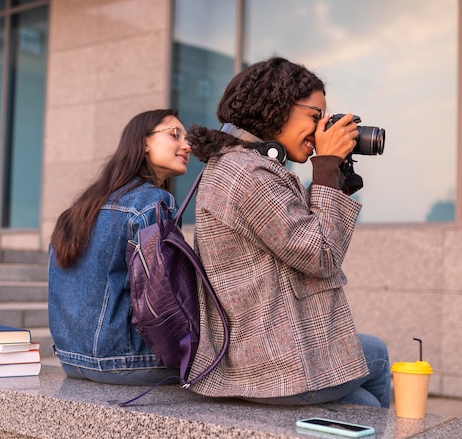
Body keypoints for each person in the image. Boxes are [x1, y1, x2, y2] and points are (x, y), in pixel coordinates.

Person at [186, 57, 391, 407]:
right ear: (276, 107)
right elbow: (321, 254)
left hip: (260, 345)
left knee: (369, 377)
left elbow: (306, 240)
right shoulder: (248, 175)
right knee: (372, 383)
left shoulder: (243, 165)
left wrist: (335, 173)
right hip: (268, 362)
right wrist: (325, 166)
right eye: (315, 117)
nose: (320, 129)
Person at [48, 109, 191, 385]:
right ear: (144, 142)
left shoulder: (80, 209)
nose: (186, 145)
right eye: (175, 135)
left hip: (71, 360)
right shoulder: (154, 203)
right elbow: (165, 296)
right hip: (129, 362)